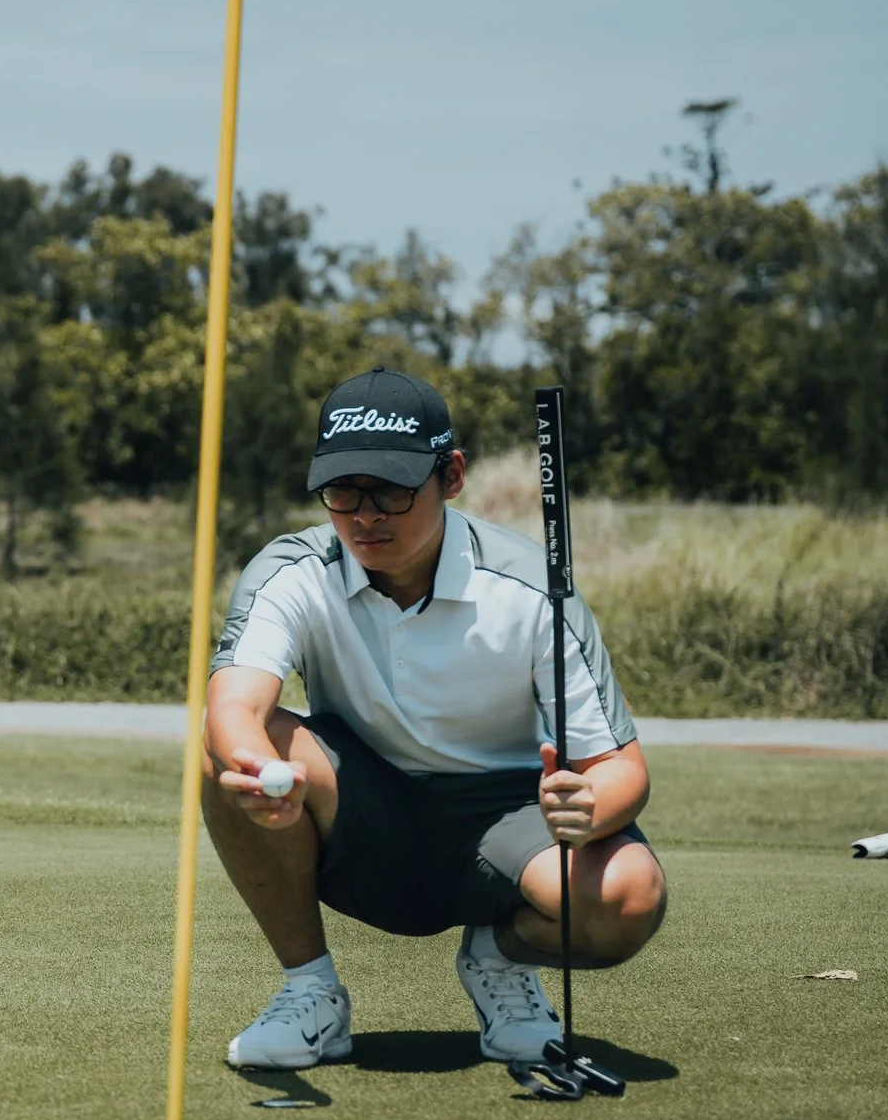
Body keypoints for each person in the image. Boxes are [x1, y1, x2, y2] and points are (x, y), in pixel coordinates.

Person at [203, 368, 668, 1069]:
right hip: (366, 810)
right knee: (222, 755)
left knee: (630, 896)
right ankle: (312, 994)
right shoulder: (292, 569)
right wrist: (260, 772)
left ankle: (498, 959)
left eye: (391, 488)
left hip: (510, 821)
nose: (364, 514)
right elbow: (235, 705)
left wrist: (590, 806)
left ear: (450, 475)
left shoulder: (531, 587)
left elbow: (622, 768)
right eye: (341, 490)